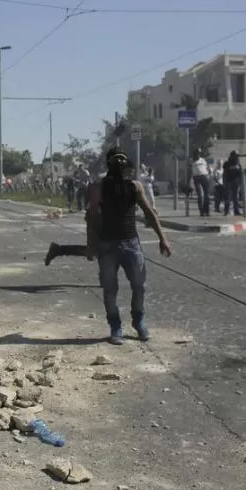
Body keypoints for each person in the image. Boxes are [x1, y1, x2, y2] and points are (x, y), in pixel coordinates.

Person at [86, 148, 172, 345]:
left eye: (122, 162)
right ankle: (115, 326)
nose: (120, 166)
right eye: (116, 162)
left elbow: (150, 213)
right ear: (109, 164)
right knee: (110, 289)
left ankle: (138, 319)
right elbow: (91, 217)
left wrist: (163, 237)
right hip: (107, 245)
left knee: (139, 286)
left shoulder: (135, 187)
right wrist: (90, 245)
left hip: (131, 243)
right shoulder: (99, 188)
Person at [191, 149, 211, 216]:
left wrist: (208, 174)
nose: (198, 155)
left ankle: (207, 211)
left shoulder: (203, 160)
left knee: (206, 195)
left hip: (204, 176)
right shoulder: (192, 161)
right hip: (196, 177)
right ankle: (201, 211)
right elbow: (189, 171)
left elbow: (207, 168)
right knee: (200, 195)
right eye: (197, 153)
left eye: (199, 153)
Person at [223, 151, 244, 216]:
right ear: (232, 156)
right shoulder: (227, 163)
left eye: (237, 156)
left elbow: (241, 174)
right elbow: (225, 173)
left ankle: (236, 211)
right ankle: (226, 211)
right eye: (235, 156)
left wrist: (240, 183)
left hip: (236, 183)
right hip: (229, 182)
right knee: (228, 197)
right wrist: (224, 182)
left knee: (236, 198)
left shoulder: (238, 164)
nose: (236, 157)